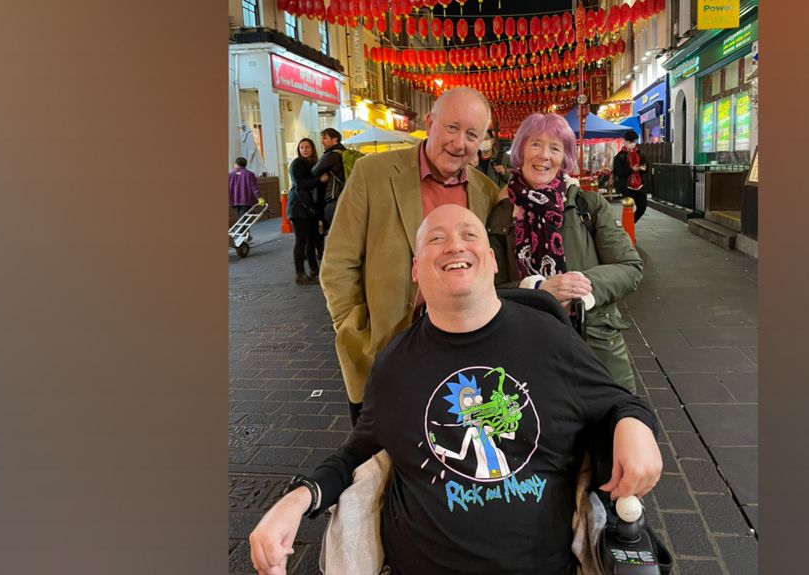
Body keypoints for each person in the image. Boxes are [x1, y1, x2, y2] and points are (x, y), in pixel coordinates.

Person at [249, 204, 663, 575]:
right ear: (416, 268)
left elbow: (618, 403)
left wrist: (634, 424)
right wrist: (297, 500)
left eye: (469, 235)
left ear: (491, 260)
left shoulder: (549, 340)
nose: (454, 246)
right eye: (436, 238)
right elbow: (358, 451)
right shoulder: (395, 363)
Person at [320, 87, 503, 426]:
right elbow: (337, 264)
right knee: (376, 462)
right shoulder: (371, 174)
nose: (460, 142)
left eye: (472, 134)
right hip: (384, 351)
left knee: (444, 454)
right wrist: (354, 329)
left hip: (460, 359)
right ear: (430, 123)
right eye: (452, 128)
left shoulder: (486, 193)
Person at [486, 113, 643, 394]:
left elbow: (630, 266)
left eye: (555, 148)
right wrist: (539, 289)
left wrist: (579, 287)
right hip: (527, 350)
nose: (544, 155)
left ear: (564, 157)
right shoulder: (501, 215)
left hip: (593, 342)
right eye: (535, 144)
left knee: (613, 427)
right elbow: (488, 287)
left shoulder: (588, 205)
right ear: (520, 150)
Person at [285, 138, 320, 285]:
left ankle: (314, 271)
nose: (304, 150)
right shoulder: (297, 163)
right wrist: (320, 180)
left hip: (308, 208)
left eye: (307, 147)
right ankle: (300, 274)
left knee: (311, 241)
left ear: (312, 149)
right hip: (299, 208)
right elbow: (300, 184)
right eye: (302, 147)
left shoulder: (312, 163)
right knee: (301, 242)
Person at [310, 127, 346, 261]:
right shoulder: (344, 153)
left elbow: (314, 171)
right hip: (345, 197)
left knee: (333, 232)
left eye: (325, 138)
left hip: (333, 198)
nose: (322, 141)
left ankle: (335, 262)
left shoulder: (331, 155)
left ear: (334, 139)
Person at [612, 129, 648, 222]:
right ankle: (628, 229)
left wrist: (643, 168)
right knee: (628, 209)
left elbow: (645, 166)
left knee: (642, 208)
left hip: (639, 185)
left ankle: (629, 225)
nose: (633, 143)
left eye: (634, 141)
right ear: (625, 141)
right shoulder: (619, 156)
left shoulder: (640, 153)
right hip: (627, 186)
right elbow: (618, 172)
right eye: (630, 141)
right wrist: (632, 169)